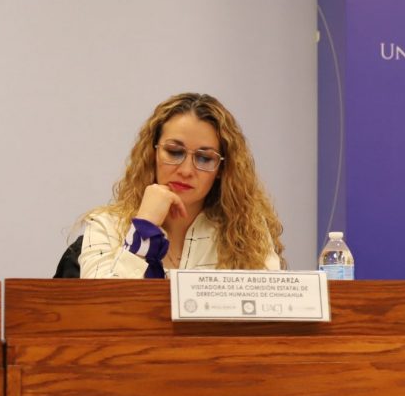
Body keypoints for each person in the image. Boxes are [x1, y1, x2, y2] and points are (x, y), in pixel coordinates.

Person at [79, 92, 284, 278]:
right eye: (174, 152)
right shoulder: (105, 226)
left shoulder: (247, 232)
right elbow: (101, 304)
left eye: (204, 158)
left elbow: (271, 304)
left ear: (222, 168)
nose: (186, 171)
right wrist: (144, 227)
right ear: (152, 153)